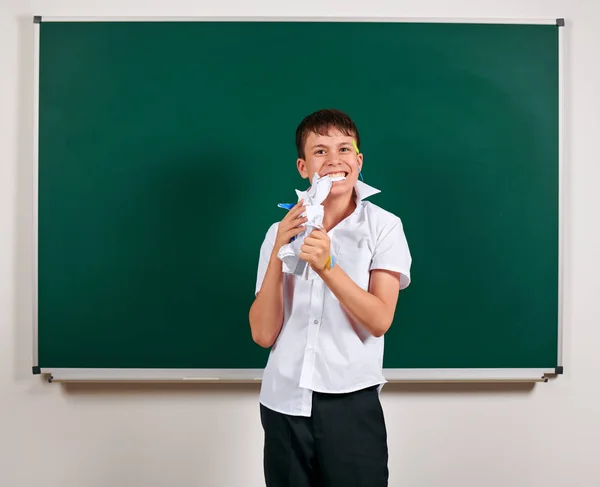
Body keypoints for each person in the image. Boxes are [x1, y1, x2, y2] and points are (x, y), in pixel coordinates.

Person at [249, 108, 412, 487]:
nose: (334, 159)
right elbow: (262, 334)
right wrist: (278, 249)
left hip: (350, 401)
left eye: (344, 148)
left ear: (359, 161)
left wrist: (326, 265)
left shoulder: (384, 226)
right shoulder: (279, 230)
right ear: (303, 167)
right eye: (320, 151)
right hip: (283, 402)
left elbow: (379, 320)